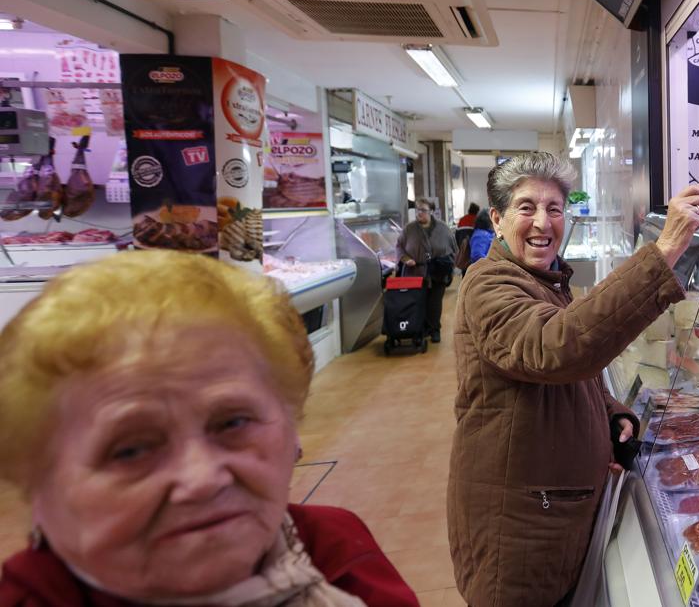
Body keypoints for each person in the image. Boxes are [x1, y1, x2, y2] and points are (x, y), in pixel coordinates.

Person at [0, 250, 418, 605]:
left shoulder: (338, 548)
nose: (202, 479)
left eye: (233, 422)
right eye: (130, 450)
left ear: (292, 434)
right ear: (35, 479)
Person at [447, 152, 699, 606]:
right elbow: (556, 348)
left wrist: (609, 414)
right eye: (526, 207)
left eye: (553, 208)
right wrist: (662, 253)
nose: (542, 222)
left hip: (551, 507)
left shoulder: (543, 279)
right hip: (518, 521)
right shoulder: (488, 284)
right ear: (497, 217)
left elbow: (556, 375)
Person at [397, 198, 458, 344]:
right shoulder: (409, 229)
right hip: (416, 272)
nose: (419, 213)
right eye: (417, 210)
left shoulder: (443, 228)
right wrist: (405, 259)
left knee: (435, 303)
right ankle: (421, 329)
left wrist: (449, 265)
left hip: (438, 272)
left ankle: (435, 329)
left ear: (431, 211)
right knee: (419, 301)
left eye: (423, 210)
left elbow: (454, 249)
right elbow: (399, 246)